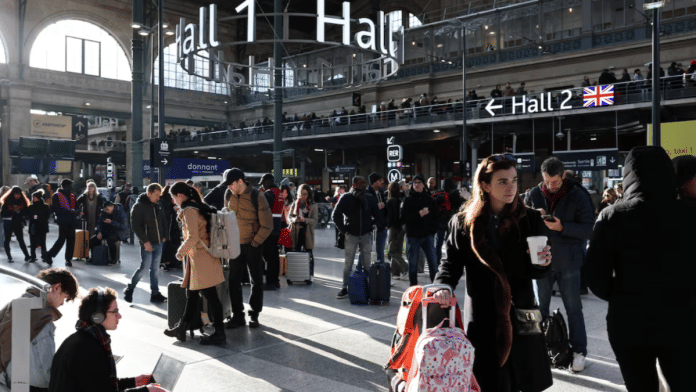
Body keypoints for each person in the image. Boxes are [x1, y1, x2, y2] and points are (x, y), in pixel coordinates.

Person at [433, 154, 552, 392]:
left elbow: (538, 272)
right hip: (482, 314)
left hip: (521, 311)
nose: (511, 187)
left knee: (523, 378)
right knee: (487, 380)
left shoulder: (530, 218)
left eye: (514, 180)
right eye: (502, 181)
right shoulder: (464, 222)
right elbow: (450, 263)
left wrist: (543, 263)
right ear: (485, 185)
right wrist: (442, 285)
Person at [586, 146, 696, 391]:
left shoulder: (612, 216)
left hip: (630, 322)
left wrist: (622, 294)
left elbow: (596, 277)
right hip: (682, 320)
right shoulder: (691, 214)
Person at [524, 157, 594, 372]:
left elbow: (588, 229)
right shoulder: (534, 194)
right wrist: (530, 226)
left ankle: (579, 351)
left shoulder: (578, 195)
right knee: (539, 308)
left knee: (574, 309)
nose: (551, 186)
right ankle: (542, 348)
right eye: (547, 182)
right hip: (541, 260)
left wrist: (563, 227)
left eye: (555, 182)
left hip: (569, 261)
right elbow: (521, 224)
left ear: (564, 176)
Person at [48, 287, 167, 392]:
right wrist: (147, 391)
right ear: (98, 317)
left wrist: (135, 382)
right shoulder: (88, 348)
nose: (119, 316)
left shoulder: (84, 339)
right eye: (115, 311)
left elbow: (101, 385)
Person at [164, 182, 226, 344]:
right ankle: (182, 329)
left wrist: (180, 252)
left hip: (201, 258)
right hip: (202, 257)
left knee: (211, 297)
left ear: (180, 195)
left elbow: (193, 237)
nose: (174, 201)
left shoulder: (189, 211)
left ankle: (219, 334)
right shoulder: (198, 206)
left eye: (173, 197)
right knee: (192, 295)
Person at [0, 268, 79, 391]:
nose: (62, 304)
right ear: (56, 288)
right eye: (64, 298)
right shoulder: (40, 318)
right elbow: (44, 373)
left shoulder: (16, 305)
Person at [224, 168, 273, 328]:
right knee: (233, 281)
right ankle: (238, 315)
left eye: (231, 184)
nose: (229, 187)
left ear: (240, 181)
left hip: (253, 246)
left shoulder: (257, 197)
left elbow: (267, 225)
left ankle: (254, 314)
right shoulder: (228, 195)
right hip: (234, 246)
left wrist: (255, 242)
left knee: (256, 281)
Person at [332, 176, 383, 299]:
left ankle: (367, 287)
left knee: (367, 264)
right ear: (354, 185)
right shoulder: (346, 198)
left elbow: (378, 215)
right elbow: (335, 215)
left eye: (365, 183)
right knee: (348, 263)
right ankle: (344, 287)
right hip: (351, 235)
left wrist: (374, 225)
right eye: (361, 183)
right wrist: (344, 230)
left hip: (365, 235)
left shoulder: (369, 198)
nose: (364, 185)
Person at [123, 184, 167, 304]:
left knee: (155, 269)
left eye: (160, 195)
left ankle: (155, 293)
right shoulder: (138, 206)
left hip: (158, 242)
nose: (158, 198)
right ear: (149, 193)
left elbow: (163, 220)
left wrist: (164, 236)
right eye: (156, 195)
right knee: (144, 268)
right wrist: (145, 241)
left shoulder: (158, 205)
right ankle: (130, 289)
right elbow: (135, 226)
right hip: (147, 242)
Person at [401, 175, 439, 286]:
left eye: (419, 182)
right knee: (413, 265)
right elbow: (403, 218)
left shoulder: (429, 198)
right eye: (415, 183)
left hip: (427, 236)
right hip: (413, 236)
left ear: (423, 184)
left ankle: (435, 289)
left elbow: (436, 215)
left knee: (433, 264)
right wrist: (418, 214)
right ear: (412, 185)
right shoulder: (408, 199)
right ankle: (413, 290)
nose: (417, 185)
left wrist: (432, 231)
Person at [259, 174, 284, 290]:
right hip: (277, 228)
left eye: (263, 183)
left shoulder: (269, 193)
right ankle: (276, 281)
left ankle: (270, 282)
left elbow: (262, 209)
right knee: (274, 255)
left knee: (268, 256)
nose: (262, 186)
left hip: (269, 228)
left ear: (267, 182)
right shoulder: (279, 192)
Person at [46, 179, 78, 267]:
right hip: (63, 220)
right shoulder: (57, 195)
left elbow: (77, 206)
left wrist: (76, 212)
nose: (71, 187)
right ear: (64, 186)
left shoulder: (73, 195)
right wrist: (69, 211)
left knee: (71, 240)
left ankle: (68, 259)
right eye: (69, 185)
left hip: (72, 220)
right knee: (62, 239)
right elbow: (55, 209)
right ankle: (49, 254)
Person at [288, 184, 318, 277]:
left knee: (309, 253)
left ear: (309, 194)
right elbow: (289, 217)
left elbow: (315, 220)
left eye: (305, 194)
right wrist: (294, 220)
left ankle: (309, 274)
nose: (303, 196)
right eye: (301, 194)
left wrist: (305, 220)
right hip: (296, 231)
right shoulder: (295, 203)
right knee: (295, 251)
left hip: (307, 231)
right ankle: (296, 273)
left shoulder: (313, 205)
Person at [1, 187, 31, 263]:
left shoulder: (22, 202)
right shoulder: (7, 201)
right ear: (13, 194)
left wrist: (19, 212)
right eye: (16, 194)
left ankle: (27, 255)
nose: (17, 196)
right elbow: (3, 213)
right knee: (7, 239)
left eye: (19, 194)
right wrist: (12, 212)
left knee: (20, 239)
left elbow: (26, 212)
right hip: (8, 222)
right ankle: (9, 256)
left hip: (17, 222)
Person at [386, 180, 408, 280]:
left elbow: (390, 216)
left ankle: (405, 267)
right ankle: (395, 273)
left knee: (392, 250)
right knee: (398, 250)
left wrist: (387, 225)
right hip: (402, 227)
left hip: (393, 228)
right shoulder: (402, 198)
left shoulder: (390, 200)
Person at [159, 185, 182, 271]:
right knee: (168, 245)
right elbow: (164, 215)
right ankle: (167, 262)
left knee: (172, 244)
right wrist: (172, 209)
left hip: (172, 228)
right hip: (168, 228)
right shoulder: (164, 202)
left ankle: (171, 262)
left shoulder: (166, 202)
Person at [367, 173, 388, 265]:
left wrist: (386, 224)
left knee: (381, 250)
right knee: (366, 249)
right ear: (374, 182)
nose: (382, 182)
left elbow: (385, 209)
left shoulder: (381, 192)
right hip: (371, 227)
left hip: (382, 226)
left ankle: (381, 271)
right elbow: (366, 210)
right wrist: (376, 207)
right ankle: (363, 269)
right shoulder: (367, 193)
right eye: (380, 181)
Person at [28, 190, 51, 262]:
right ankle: (35, 256)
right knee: (35, 242)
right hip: (38, 226)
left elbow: (47, 215)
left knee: (40, 242)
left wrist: (37, 217)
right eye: (33, 197)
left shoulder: (42, 206)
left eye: (35, 197)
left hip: (38, 225)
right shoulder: (33, 206)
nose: (33, 199)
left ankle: (39, 256)